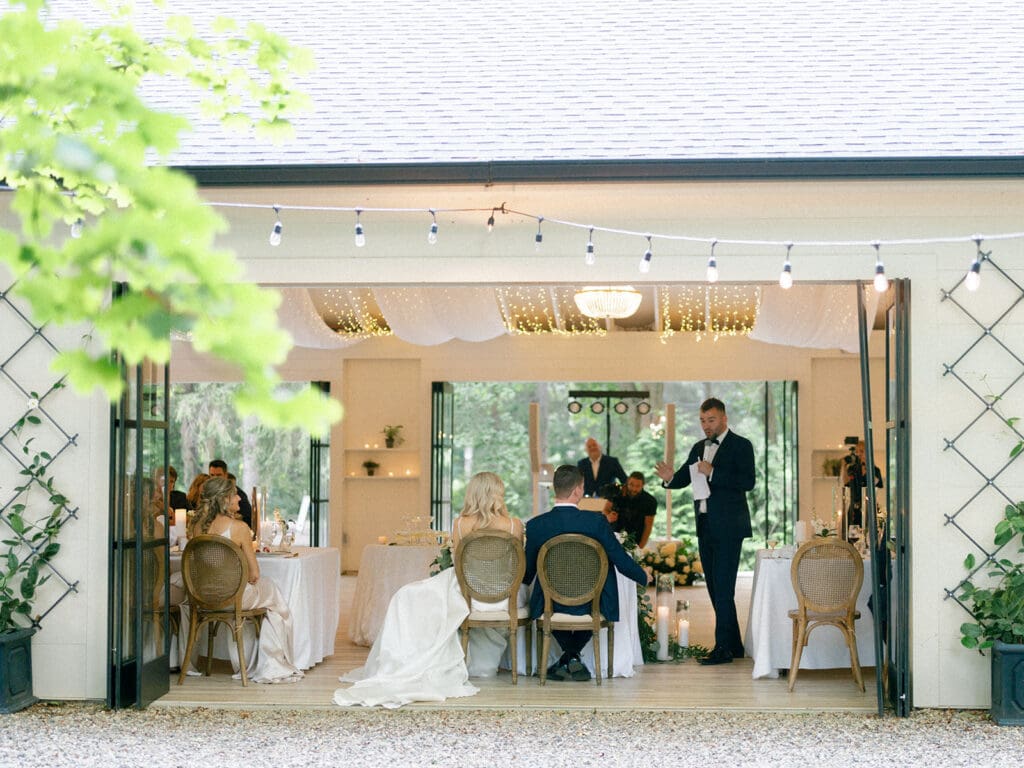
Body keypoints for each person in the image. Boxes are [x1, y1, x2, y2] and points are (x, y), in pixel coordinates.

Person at [334, 472, 526, 708]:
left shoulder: (460, 524)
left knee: (405, 596)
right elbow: (514, 563)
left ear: (473, 494)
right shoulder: (514, 525)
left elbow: (459, 563)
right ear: (498, 494)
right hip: (503, 594)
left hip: (469, 592)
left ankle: (403, 661)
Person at [655, 398, 755, 666]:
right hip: (705, 525)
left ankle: (722, 648)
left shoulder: (741, 445)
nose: (706, 425)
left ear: (723, 419)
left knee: (723, 588)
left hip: (730, 527)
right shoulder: (698, 447)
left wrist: (714, 472)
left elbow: (748, 482)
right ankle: (733, 645)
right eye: (702, 420)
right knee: (714, 588)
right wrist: (668, 478)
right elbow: (682, 478)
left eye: (710, 420)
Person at [524, 465, 647, 682]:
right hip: (593, 603)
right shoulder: (596, 522)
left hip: (551, 603)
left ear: (555, 489)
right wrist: (644, 576)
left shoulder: (536, 526)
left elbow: (527, 573)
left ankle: (567, 658)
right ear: (578, 490)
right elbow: (619, 558)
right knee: (606, 581)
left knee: (540, 594)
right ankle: (573, 658)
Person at [181, 476, 303, 684]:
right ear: (224, 499)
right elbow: (254, 574)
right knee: (273, 593)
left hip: (202, 595)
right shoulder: (239, 528)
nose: (239, 498)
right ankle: (271, 662)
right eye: (235, 494)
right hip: (234, 597)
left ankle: (248, 660)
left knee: (268, 590)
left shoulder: (196, 527)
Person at [604, 471, 657, 549]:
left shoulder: (650, 501)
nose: (634, 489)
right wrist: (608, 516)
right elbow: (605, 510)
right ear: (627, 482)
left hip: (635, 541)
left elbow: (648, 526)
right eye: (631, 485)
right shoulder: (616, 493)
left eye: (638, 486)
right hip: (614, 537)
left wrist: (640, 547)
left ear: (643, 485)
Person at [841, 440, 883, 528]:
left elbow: (877, 484)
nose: (859, 454)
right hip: (854, 508)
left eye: (862, 451)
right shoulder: (853, 469)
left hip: (869, 508)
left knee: (868, 534)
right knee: (853, 536)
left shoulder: (874, 470)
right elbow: (846, 482)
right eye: (857, 451)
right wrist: (844, 466)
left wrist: (867, 467)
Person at [208, 459, 253, 529]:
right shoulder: (207, 493)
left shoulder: (238, 494)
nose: (215, 478)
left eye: (218, 475)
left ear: (226, 475)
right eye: (212, 475)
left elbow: (249, 518)